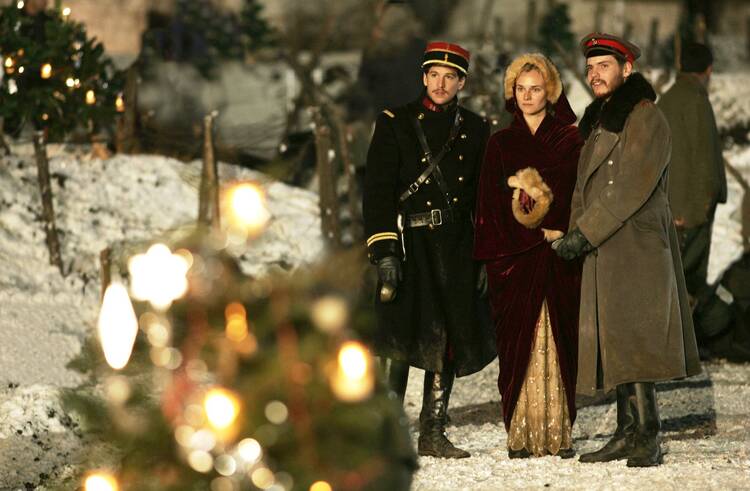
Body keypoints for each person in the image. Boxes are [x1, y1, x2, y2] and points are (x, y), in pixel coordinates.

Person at [555, 33, 701, 467]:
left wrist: (585, 232)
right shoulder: (601, 120)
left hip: (636, 243)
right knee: (616, 336)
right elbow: (586, 186)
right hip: (607, 244)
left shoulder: (645, 116)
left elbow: (631, 183)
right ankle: (625, 431)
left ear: (627, 69)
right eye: (591, 67)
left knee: (636, 337)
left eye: (605, 65)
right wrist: (575, 230)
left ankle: (648, 433)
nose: (595, 74)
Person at [362, 41, 496, 459]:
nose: (441, 84)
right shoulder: (395, 123)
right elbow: (378, 193)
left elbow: (482, 197)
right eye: (433, 75)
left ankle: (433, 431)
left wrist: (484, 255)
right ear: (423, 77)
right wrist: (385, 251)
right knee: (398, 339)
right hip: (409, 243)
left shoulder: (476, 129)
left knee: (448, 338)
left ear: (461, 82)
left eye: (450, 77)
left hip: (456, 248)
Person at [474, 53, 582, 459]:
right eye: (520, 89)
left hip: (557, 257)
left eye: (535, 89)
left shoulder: (570, 141)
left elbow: (578, 195)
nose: (528, 96)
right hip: (513, 260)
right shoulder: (500, 143)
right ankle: (520, 434)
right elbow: (487, 207)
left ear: (550, 91)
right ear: (511, 92)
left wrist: (560, 229)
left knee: (560, 341)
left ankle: (558, 433)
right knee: (517, 346)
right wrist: (500, 253)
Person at [657, 42, 728, 349]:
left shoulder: (669, 98)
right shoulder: (696, 100)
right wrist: (702, 204)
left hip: (676, 205)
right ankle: (678, 349)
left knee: (677, 276)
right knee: (687, 279)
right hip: (692, 209)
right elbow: (704, 158)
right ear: (708, 70)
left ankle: (678, 345)